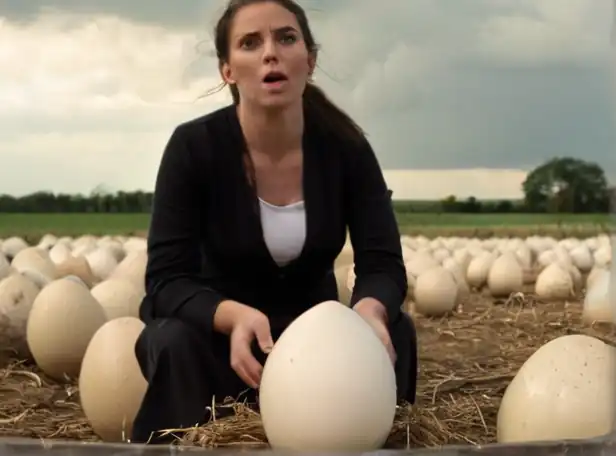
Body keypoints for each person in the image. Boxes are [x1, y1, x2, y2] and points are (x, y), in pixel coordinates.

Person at [131, 0, 418, 445]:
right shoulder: (193, 148)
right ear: (228, 70)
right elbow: (166, 280)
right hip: (222, 345)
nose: (271, 53)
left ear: (310, 59)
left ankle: (370, 439)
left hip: (311, 350)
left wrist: (369, 311)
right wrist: (229, 317)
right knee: (172, 340)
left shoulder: (346, 149)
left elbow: (382, 263)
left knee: (394, 328)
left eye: (286, 38)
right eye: (250, 43)